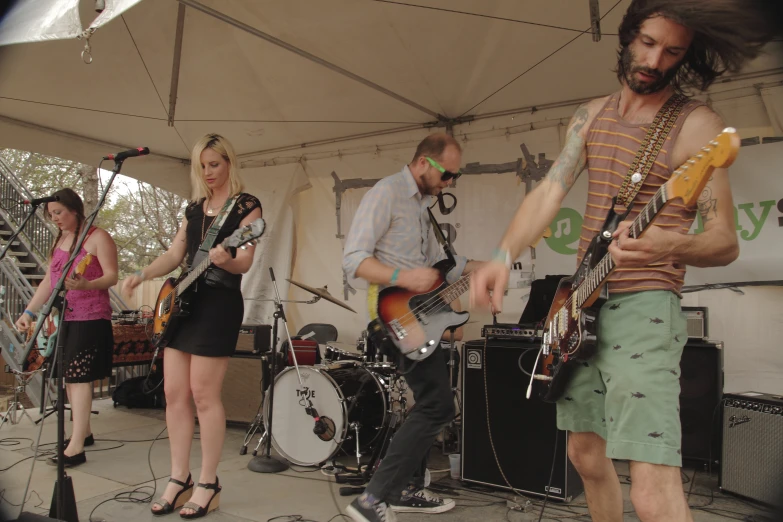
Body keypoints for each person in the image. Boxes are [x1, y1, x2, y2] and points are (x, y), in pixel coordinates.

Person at [470, 2, 780, 521]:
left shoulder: (697, 126)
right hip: (581, 301)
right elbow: (550, 190)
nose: (655, 60)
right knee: (585, 456)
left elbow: (725, 240)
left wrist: (670, 245)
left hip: (646, 306)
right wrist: (504, 254)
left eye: (672, 51)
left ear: (686, 57)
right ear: (628, 36)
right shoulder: (590, 115)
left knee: (650, 486)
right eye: (648, 43)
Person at [342, 133, 483, 522]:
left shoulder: (423, 208)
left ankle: (402, 487)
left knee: (431, 403)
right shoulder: (385, 194)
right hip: (391, 315)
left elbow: (445, 267)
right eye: (448, 174)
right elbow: (353, 259)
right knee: (438, 404)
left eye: (455, 176)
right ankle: (373, 499)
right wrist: (404, 275)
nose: (450, 182)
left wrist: (487, 268)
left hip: (418, 318)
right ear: (424, 162)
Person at [123, 134, 261, 519]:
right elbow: (174, 254)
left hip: (218, 305)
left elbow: (245, 262)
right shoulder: (193, 209)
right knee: (173, 393)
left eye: (214, 164)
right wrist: (142, 273)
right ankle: (178, 477)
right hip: (183, 305)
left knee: (204, 395)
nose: (208, 172)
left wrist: (225, 258)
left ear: (229, 163)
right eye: (202, 166)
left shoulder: (246, 207)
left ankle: (208, 481)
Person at [15, 188, 118, 468]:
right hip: (68, 316)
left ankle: (75, 446)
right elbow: (49, 280)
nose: (55, 219)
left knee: (77, 377)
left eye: (58, 212)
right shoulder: (62, 239)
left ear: (74, 209)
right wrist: (29, 311)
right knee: (67, 378)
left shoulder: (97, 237)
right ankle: (83, 433)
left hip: (92, 316)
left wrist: (87, 284)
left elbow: (112, 276)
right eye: (51, 215)